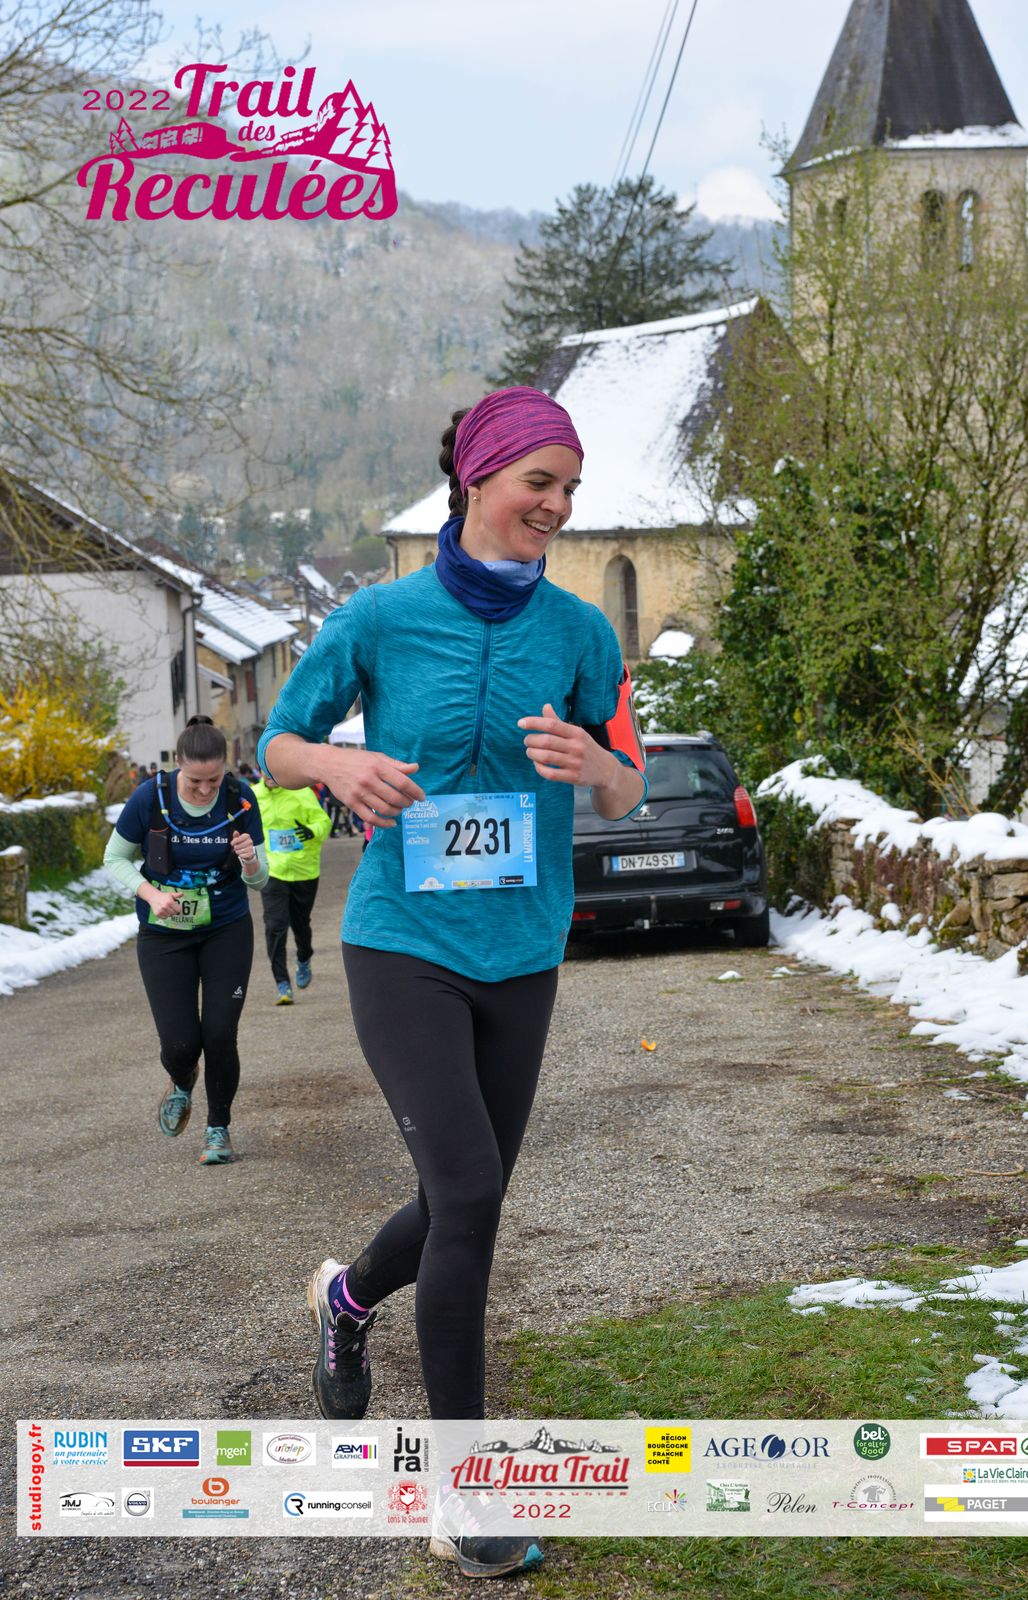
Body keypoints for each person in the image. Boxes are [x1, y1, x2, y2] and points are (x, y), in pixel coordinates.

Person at [257, 386, 646, 1579]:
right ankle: (464, 1494)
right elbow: (278, 741)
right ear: (478, 478)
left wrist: (597, 766)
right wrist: (338, 766)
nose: (557, 505)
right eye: (539, 481)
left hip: (522, 951)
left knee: (459, 1200)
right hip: (402, 943)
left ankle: (347, 1301)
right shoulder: (379, 618)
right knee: (470, 1189)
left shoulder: (580, 634)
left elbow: (627, 779)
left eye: (570, 489)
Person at [104, 715, 269, 1165]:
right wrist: (152, 895)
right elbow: (114, 858)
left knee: (220, 1033)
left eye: (213, 779)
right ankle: (181, 1079)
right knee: (180, 1044)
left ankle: (218, 1129)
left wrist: (250, 861)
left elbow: (259, 882)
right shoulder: (150, 796)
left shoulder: (239, 798)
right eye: (195, 781)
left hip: (226, 929)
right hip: (164, 935)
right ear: (178, 764)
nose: (204, 789)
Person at [250, 770, 333, 1004]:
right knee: (275, 926)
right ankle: (282, 983)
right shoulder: (253, 796)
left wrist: (311, 831)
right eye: (265, 770)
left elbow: (324, 822)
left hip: (304, 870)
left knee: (301, 924)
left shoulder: (301, 793)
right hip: (272, 871)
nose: (270, 776)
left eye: (274, 771)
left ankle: (304, 958)